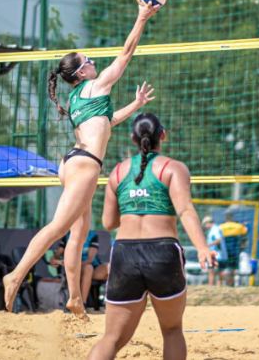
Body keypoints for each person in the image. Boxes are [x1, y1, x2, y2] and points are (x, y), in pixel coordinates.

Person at [3, 2, 160, 318]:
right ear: (80, 72)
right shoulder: (94, 86)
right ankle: (15, 275)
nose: (93, 62)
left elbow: (107, 122)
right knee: (58, 227)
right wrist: (141, 18)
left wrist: (135, 104)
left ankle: (75, 298)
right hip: (84, 165)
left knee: (79, 232)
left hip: (75, 161)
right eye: (88, 61)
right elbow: (126, 53)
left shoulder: (81, 96)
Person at [88, 113, 215, 360]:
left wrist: (134, 205)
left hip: (125, 252)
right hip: (162, 252)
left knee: (111, 338)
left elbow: (108, 223)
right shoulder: (173, 168)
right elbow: (185, 210)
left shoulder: (117, 172)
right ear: (162, 135)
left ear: (133, 138)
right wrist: (202, 247)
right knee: (172, 330)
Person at [50, 230, 109, 306]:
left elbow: (89, 260)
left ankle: (113, 302)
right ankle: (82, 304)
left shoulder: (92, 235)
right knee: (88, 268)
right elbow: (55, 258)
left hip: (91, 267)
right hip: (76, 270)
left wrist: (72, 264)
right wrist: (57, 261)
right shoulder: (67, 236)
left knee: (110, 267)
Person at [219, 211, 248, 287]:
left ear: (225, 218)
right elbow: (245, 233)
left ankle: (228, 284)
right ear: (232, 218)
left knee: (227, 268)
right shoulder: (239, 226)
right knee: (235, 268)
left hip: (225, 251)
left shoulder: (221, 227)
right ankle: (234, 284)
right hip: (235, 249)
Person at [202, 215, 227, 286]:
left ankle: (211, 286)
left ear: (208, 223)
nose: (205, 226)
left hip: (216, 255)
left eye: (205, 224)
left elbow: (219, 240)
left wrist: (208, 245)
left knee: (211, 272)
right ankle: (218, 287)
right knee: (219, 273)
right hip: (219, 255)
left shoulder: (215, 229)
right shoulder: (215, 229)